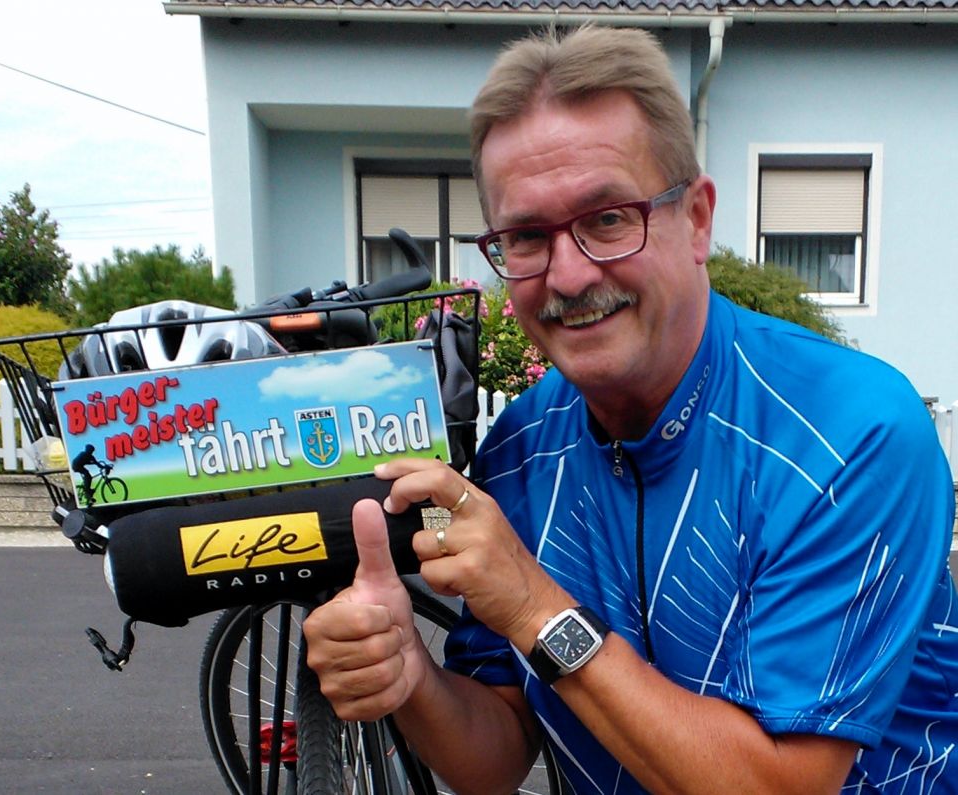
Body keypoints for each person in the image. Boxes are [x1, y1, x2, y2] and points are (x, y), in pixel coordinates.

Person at [303, 26, 958, 794]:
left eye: (609, 218)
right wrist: (407, 673)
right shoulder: (519, 450)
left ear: (698, 220)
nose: (570, 275)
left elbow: (778, 785)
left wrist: (536, 606)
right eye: (526, 237)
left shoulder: (853, 435)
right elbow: (496, 756)